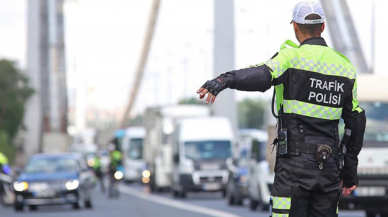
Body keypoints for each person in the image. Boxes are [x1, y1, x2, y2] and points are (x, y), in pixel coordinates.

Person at [196, 2, 366, 216]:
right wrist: (349, 172)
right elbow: (356, 123)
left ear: (295, 26)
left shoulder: (290, 58)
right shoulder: (345, 68)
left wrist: (225, 80)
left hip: (294, 167)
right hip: (329, 168)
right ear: (323, 27)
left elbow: (261, 76)